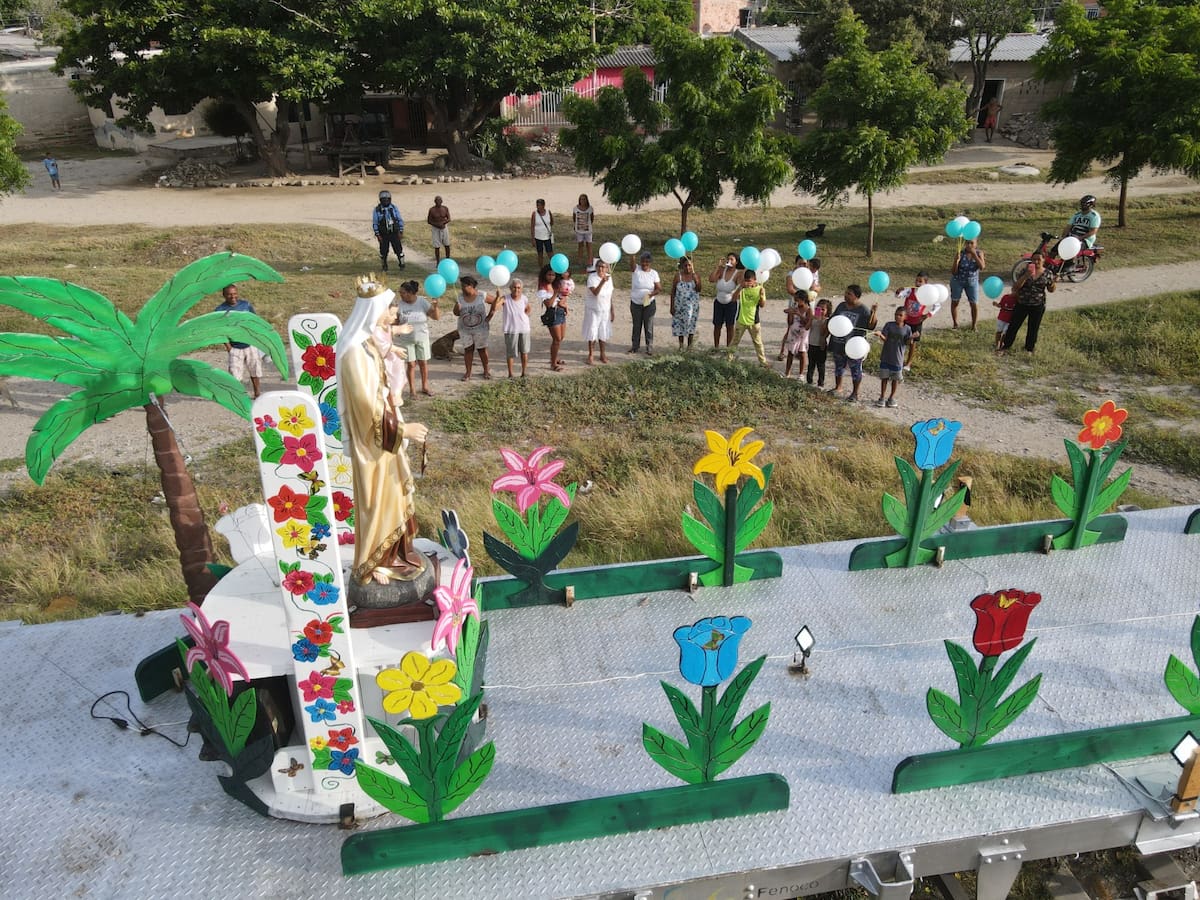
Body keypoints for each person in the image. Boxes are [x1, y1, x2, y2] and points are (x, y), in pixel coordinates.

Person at [337, 275, 429, 586]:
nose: (391, 312)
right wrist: (403, 429)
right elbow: (366, 408)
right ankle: (372, 562)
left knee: (392, 497)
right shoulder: (354, 353)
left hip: (384, 439)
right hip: (373, 443)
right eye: (386, 307)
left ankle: (393, 556)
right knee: (376, 501)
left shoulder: (366, 346)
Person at [827, 285, 875, 403]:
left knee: (855, 369)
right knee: (839, 367)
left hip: (854, 346)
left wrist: (874, 313)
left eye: (849, 294)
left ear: (856, 296)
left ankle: (855, 393)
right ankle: (838, 387)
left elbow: (871, 326)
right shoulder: (841, 306)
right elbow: (833, 320)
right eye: (846, 293)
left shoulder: (863, 310)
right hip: (839, 342)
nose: (846, 295)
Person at [1000, 251, 1054, 354]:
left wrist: (1053, 283)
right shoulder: (1025, 271)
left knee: (1033, 328)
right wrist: (1026, 276)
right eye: (1034, 259)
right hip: (1022, 303)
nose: (1036, 261)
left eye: (1039, 259)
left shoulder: (1048, 273)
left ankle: (1029, 348)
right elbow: (1015, 287)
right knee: (1014, 325)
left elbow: (1051, 289)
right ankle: (1006, 346)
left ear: (1043, 260)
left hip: (1037, 304)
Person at [214, 284, 263, 398]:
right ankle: (241, 396)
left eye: (235, 293)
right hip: (234, 347)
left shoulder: (246, 305)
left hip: (250, 344)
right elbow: (219, 331)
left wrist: (256, 339)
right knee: (235, 375)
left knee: (255, 370)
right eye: (229, 294)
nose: (233, 296)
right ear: (224, 295)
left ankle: (257, 394)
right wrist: (228, 347)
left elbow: (254, 321)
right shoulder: (219, 310)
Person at [393, 279, 440, 397]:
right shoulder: (400, 305)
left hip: (422, 338)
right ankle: (412, 390)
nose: (400, 294)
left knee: (423, 363)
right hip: (406, 340)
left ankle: (425, 386)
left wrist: (435, 307)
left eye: (402, 292)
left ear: (410, 293)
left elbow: (436, 317)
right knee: (411, 365)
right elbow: (396, 321)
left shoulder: (422, 302)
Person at [453, 275, 498, 380]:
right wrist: (457, 308)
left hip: (481, 329)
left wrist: (490, 315)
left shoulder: (482, 295)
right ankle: (468, 372)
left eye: (464, 286)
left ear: (471, 286)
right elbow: (456, 313)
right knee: (468, 350)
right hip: (465, 329)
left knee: (482, 349)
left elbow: (496, 301)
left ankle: (486, 371)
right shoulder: (459, 297)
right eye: (461, 286)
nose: (462, 289)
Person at [874, 306, 913, 409]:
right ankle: (882, 397)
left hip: (897, 359)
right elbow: (885, 338)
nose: (897, 317)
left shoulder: (907, 329)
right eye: (896, 314)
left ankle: (891, 397)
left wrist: (912, 337)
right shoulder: (889, 325)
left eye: (900, 315)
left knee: (895, 379)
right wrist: (880, 335)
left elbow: (907, 342)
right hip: (886, 357)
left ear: (905, 317)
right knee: (884, 378)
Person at [730, 268, 768, 367]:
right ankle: (728, 360)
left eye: (749, 281)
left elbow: (762, 305)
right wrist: (740, 288)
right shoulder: (742, 288)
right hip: (741, 320)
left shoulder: (760, 289)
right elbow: (733, 299)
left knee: (758, 343)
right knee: (734, 342)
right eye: (746, 281)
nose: (748, 283)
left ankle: (763, 362)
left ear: (755, 280)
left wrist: (762, 296)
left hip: (754, 322)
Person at [896, 271, 932, 371]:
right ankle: (899, 359)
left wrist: (927, 315)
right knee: (902, 340)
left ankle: (908, 363)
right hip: (906, 320)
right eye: (916, 281)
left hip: (917, 322)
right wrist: (898, 292)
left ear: (926, 284)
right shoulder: (910, 290)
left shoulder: (928, 294)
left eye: (920, 281)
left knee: (912, 343)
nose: (917, 283)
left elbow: (937, 305)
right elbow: (899, 296)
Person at [628, 251, 661, 355]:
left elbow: (659, 288)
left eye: (647, 262)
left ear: (650, 262)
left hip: (648, 302)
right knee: (636, 325)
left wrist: (651, 295)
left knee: (649, 325)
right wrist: (632, 252)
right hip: (636, 302)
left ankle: (649, 347)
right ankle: (635, 346)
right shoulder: (636, 270)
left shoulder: (654, 273)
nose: (644, 264)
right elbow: (632, 263)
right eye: (642, 261)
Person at [583, 259, 615, 364]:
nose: (601, 269)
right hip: (593, 309)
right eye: (599, 266)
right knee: (592, 332)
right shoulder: (592, 278)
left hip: (605, 309)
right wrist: (602, 282)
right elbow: (595, 293)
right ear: (596, 267)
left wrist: (612, 310)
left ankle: (602, 354)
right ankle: (591, 355)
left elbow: (610, 295)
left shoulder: (609, 278)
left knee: (603, 331)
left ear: (606, 268)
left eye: (603, 266)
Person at [950, 238, 985, 330]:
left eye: (972, 243)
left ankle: (974, 325)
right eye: (967, 243)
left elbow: (982, 267)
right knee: (955, 302)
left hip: (972, 282)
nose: (969, 245)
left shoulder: (979, 253)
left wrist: (974, 255)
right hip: (958, 280)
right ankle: (955, 324)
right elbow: (953, 272)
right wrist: (956, 261)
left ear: (976, 243)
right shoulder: (960, 253)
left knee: (974, 303)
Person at [500, 278, 531, 378]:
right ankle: (510, 374)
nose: (516, 289)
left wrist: (526, 313)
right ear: (510, 288)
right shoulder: (505, 298)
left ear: (521, 289)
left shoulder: (524, 298)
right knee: (511, 353)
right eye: (514, 287)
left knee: (524, 351)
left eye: (519, 288)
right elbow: (495, 307)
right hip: (510, 329)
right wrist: (497, 297)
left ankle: (524, 372)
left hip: (524, 328)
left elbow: (528, 307)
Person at [709, 252, 741, 348]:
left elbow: (741, 286)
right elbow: (711, 279)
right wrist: (717, 267)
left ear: (736, 262)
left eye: (732, 259)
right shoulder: (722, 270)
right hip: (718, 302)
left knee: (730, 327)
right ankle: (716, 347)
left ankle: (728, 348)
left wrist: (736, 295)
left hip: (730, 303)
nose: (729, 261)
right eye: (728, 259)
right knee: (717, 325)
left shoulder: (738, 273)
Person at [670, 257, 701, 350]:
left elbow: (699, 289)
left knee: (691, 324)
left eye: (690, 265)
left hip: (692, 306)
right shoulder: (678, 276)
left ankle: (690, 346)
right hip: (679, 305)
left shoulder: (696, 275)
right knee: (680, 326)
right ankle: (681, 345)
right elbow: (673, 291)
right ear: (682, 266)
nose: (688, 267)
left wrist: (697, 281)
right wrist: (672, 306)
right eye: (686, 265)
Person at [544, 271, 572, 371]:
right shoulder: (544, 288)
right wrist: (556, 292)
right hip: (553, 314)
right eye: (549, 274)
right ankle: (553, 364)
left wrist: (564, 305)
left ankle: (555, 358)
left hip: (561, 312)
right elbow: (549, 304)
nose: (551, 277)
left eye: (553, 275)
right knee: (557, 339)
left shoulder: (559, 284)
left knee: (560, 338)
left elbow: (565, 297)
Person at [372, 191, 405, 272]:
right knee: (383, 251)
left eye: (387, 199)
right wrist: (378, 235)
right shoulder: (377, 210)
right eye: (384, 200)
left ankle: (402, 264)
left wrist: (401, 231)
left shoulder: (394, 208)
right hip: (383, 234)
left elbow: (399, 219)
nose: (386, 201)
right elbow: (375, 223)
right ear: (380, 200)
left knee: (398, 250)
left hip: (394, 233)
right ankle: (384, 265)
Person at [783, 290, 812, 379]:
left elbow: (807, 323)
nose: (796, 302)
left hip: (803, 335)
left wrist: (799, 315)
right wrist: (791, 314)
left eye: (797, 300)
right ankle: (787, 373)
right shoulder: (794, 308)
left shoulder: (809, 310)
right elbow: (790, 322)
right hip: (793, 333)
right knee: (790, 353)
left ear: (803, 300)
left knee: (802, 353)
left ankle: (801, 374)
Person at [807, 297, 832, 387]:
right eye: (819, 308)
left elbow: (823, 333)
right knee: (811, 364)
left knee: (820, 365)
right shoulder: (814, 318)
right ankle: (809, 381)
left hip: (821, 346)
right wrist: (811, 319)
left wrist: (821, 321)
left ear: (827, 311)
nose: (820, 311)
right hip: (811, 344)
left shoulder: (827, 321)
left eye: (823, 309)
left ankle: (820, 383)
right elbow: (807, 327)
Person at [572, 194, 594, 270]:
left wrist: (587, 225)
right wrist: (576, 226)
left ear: (586, 200)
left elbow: (592, 219)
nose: (582, 201)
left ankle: (590, 261)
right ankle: (580, 261)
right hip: (579, 231)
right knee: (580, 245)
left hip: (588, 231)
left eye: (584, 199)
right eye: (581, 199)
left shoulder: (590, 208)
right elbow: (574, 218)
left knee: (589, 246)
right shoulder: (575, 208)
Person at [530, 199, 554, 269]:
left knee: (550, 252)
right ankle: (541, 268)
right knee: (540, 253)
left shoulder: (548, 212)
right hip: (538, 237)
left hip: (547, 236)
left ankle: (554, 266)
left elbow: (552, 222)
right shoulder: (534, 214)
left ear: (543, 205)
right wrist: (533, 239)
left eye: (540, 205)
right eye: (537, 205)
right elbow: (532, 226)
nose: (538, 207)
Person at [427, 195, 452, 261]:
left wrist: (443, 223)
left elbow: (449, 218)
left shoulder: (445, 208)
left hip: (444, 227)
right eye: (437, 201)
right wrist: (437, 224)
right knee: (437, 246)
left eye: (440, 200)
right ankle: (438, 261)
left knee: (447, 244)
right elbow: (429, 221)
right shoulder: (432, 210)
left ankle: (448, 259)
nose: (438, 202)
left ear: (442, 201)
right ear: (434, 202)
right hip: (435, 228)